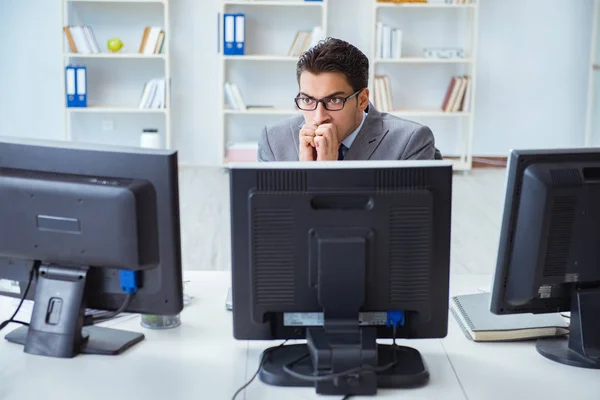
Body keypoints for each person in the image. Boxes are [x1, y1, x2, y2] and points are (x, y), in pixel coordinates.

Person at [257, 37, 439, 162]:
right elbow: (269, 216)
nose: (319, 117)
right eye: (308, 100)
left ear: (362, 100)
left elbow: (407, 217)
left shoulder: (411, 141)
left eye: (334, 100)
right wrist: (305, 172)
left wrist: (328, 171)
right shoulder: (273, 140)